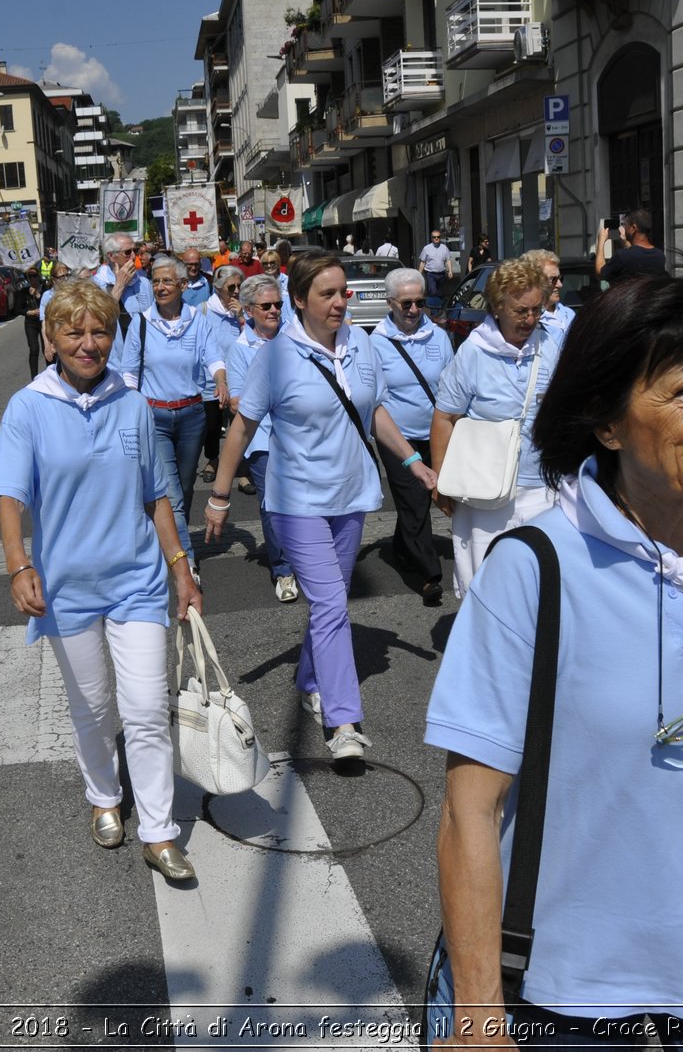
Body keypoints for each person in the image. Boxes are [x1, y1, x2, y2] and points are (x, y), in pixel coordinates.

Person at [428, 269, 683, 1047]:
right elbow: (471, 807)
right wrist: (478, 1013)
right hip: (567, 978)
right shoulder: (537, 566)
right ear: (605, 422)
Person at [0, 280, 200, 883]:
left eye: (99, 331)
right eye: (74, 332)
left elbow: (157, 494)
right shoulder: (28, 407)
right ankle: (104, 794)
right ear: (51, 338)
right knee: (95, 706)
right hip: (67, 586)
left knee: (146, 707)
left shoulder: (131, 402)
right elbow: (10, 494)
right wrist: (18, 566)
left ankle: (159, 832)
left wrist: (180, 568)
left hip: (136, 578)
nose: (88, 343)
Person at [202, 252, 438, 764]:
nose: (339, 302)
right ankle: (343, 720)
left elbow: (373, 410)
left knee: (329, 603)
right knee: (332, 605)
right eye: (327, 294)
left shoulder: (363, 345)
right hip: (296, 500)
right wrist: (220, 495)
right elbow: (242, 427)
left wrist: (415, 462)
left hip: (351, 495)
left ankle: (311, 677)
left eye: (343, 292)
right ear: (299, 301)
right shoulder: (277, 355)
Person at [431, 257, 563, 599]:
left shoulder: (553, 343)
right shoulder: (473, 353)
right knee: (487, 586)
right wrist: (441, 481)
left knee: (539, 587)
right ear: (497, 307)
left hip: (542, 484)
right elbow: (445, 417)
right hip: (485, 491)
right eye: (521, 311)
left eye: (537, 310)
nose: (531, 319)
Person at [115, 255, 229, 567]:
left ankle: (168, 536)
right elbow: (127, 372)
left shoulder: (197, 319)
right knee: (173, 494)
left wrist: (220, 381)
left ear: (181, 285)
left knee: (187, 486)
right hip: (155, 418)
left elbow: (213, 356)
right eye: (155, 281)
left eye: (167, 281)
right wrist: (129, 406)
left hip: (192, 415)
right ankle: (186, 563)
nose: (161, 287)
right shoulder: (140, 322)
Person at [370, 267, 452, 607]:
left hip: (437, 433)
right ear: (390, 303)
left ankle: (403, 547)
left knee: (440, 493)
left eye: (420, 302)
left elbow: (452, 384)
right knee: (414, 502)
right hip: (398, 438)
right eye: (406, 304)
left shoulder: (439, 336)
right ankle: (428, 574)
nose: (414, 310)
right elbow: (372, 397)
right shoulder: (375, 343)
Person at [224, 272, 299, 603]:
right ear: (249, 310)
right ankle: (283, 570)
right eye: (266, 306)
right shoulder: (239, 350)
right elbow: (239, 402)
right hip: (262, 438)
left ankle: (306, 560)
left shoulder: (295, 336)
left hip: (299, 435)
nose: (274, 311)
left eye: (278, 305)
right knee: (273, 505)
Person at [197, 265, 245, 484]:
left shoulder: (244, 311)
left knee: (240, 425)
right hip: (211, 380)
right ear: (218, 288)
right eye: (231, 287)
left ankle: (242, 469)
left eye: (239, 286)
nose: (236, 291)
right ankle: (213, 459)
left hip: (239, 378)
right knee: (213, 426)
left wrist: (243, 317)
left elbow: (255, 339)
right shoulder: (204, 310)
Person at [595, 209, 666, 284]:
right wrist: (626, 243)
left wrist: (601, 241)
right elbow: (636, 255)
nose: (624, 229)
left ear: (633, 228)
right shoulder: (660, 256)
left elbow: (600, 274)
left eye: (625, 225)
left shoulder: (622, 256)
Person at [92, 234, 154, 315]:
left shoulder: (144, 282)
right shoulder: (94, 285)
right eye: (127, 252)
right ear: (111, 256)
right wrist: (119, 285)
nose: (133, 256)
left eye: (135, 251)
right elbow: (98, 321)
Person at [522, 248, 573, 344]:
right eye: (553, 279)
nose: (560, 285)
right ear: (533, 281)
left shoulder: (570, 315)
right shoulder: (526, 322)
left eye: (560, 278)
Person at [419, 230, 454, 300]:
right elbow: (422, 262)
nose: (436, 238)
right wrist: (419, 274)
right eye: (434, 237)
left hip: (441, 274)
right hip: (430, 274)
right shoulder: (426, 248)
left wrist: (450, 271)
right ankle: (433, 309)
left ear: (440, 238)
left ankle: (439, 308)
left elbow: (448, 260)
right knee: (433, 291)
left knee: (441, 293)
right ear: (431, 238)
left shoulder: (444, 248)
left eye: (438, 237)